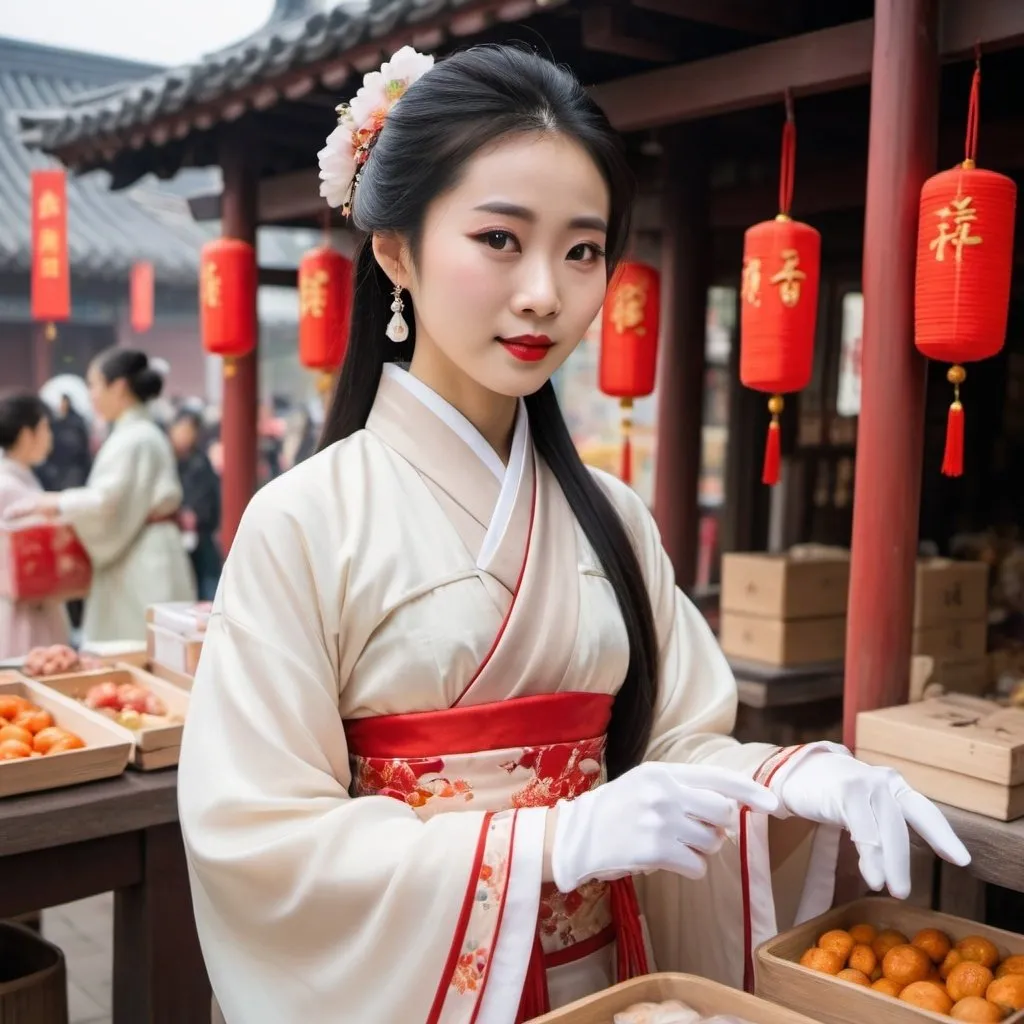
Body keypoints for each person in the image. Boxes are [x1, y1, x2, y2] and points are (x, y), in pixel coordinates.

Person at [177, 45, 969, 1024]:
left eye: (583, 250)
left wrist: (793, 778)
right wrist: (542, 846)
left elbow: (675, 742)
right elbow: (260, 838)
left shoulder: (613, 515)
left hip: (609, 988)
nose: (546, 292)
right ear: (394, 249)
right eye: (501, 239)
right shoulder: (301, 520)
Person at [5, 350, 195, 643]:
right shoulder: (135, 434)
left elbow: (106, 503)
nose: (91, 395)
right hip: (139, 547)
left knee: (139, 650)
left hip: (141, 557)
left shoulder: (135, 437)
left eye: (94, 385)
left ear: (118, 387)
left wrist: (55, 503)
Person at [0, 394, 70, 657]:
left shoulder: (18, 480)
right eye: (45, 427)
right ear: (27, 434)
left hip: (32, 605)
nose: (49, 435)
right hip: (22, 610)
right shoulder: (9, 486)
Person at [169, 410, 222, 600]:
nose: (184, 435)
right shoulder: (167, 461)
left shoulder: (201, 463)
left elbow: (211, 504)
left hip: (200, 537)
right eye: (180, 430)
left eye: (188, 430)